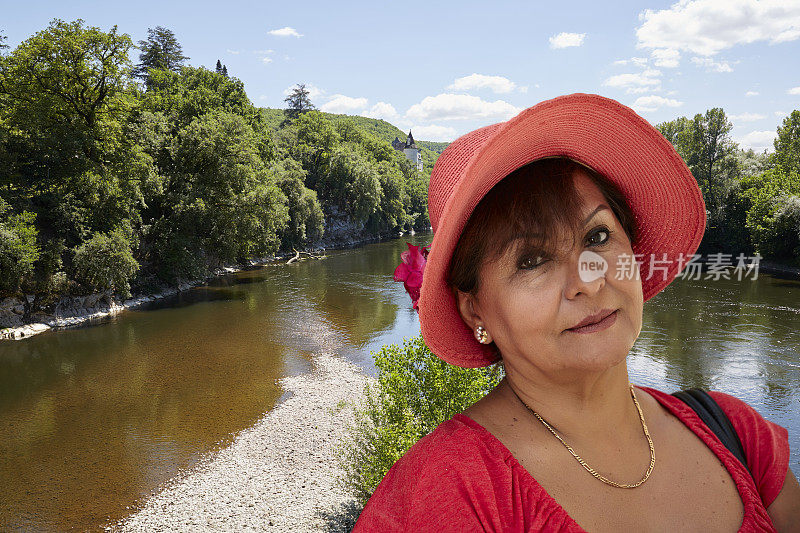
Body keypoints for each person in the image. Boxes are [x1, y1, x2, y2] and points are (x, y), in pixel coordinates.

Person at [352, 93, 800, 532]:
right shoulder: (445, 495)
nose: (588, 280)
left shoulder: (738, 433)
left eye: (598, 237)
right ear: (474, 311)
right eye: (531, 261)